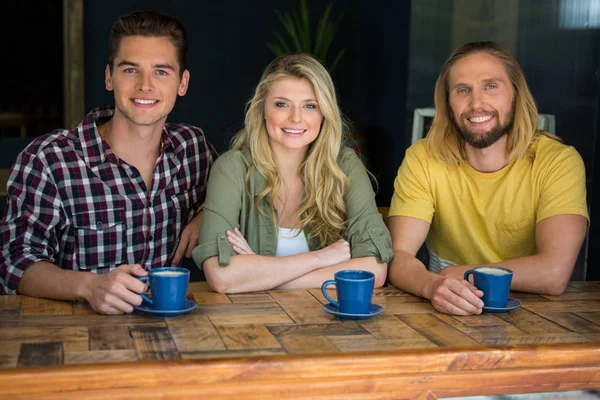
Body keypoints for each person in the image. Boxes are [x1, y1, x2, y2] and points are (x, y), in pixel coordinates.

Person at [0, 10, 216, 314]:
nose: (145, 85)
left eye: (161, 71)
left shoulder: (193, 148)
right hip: (77, 341)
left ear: (183, 82)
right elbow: (13, 261)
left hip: (176, 339)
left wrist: (211, 212)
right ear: (108, 77)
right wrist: (89, 286)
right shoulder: (49, 159)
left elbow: (249, 191)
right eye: (130, 70)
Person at [387, 41, 589, 316]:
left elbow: (553, 273)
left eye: (490, 86)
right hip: (445, 308)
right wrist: (432, 286)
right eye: (462, 90)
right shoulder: (424, 157)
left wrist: (460, 273)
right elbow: (399, 257)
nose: (476, 103)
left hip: (534, 314)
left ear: (516, 95)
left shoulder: (557, 162)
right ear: (447, 103)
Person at [192, 54, 392, 293]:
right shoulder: (231, 168)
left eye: (310, 105)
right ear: (262, 109)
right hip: (248, 324)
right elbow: (221, 276)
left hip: (331, 322)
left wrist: (260, 275)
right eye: (282, 104)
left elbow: (374, 271)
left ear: (324, 113)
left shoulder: (345, 166)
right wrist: (321, 258)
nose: (296, 118)